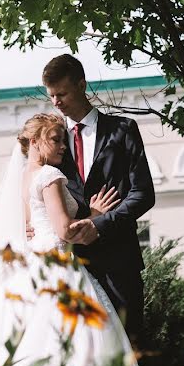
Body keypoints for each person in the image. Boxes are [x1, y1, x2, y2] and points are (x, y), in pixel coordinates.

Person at [0, 114, 146, 366]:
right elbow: (63, 231)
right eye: (56, 140)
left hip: (31, 266)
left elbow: (34, 227)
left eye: (64, 140)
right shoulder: (50, 176)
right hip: (58, 265)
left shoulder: (24, 178)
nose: (63, 146)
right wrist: (96, 215)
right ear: (35, 142)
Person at [40, 54, 155, 344]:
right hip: (71, 270)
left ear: (81, 85)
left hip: (120, 265)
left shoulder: (123, 130)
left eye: (62, 93)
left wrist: (100, 224)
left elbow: (143, 194)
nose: (56, 102)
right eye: (51, 96)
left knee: (129, 352)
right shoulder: (51, 142)